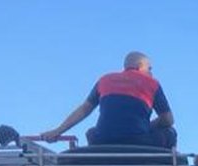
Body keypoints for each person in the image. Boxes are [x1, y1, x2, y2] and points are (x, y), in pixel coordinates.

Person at [41, 51, 177, 148]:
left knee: (91, 132)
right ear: (140, 66)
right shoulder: (152, 83)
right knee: (170, 132)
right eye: (149, 68)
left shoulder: (104, 80)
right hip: (139, 141)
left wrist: (57, 131)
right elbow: (168, 120)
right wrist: (148, 126)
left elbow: (84, 110)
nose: (151, 72)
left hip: (103, 141)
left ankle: (101, 164)